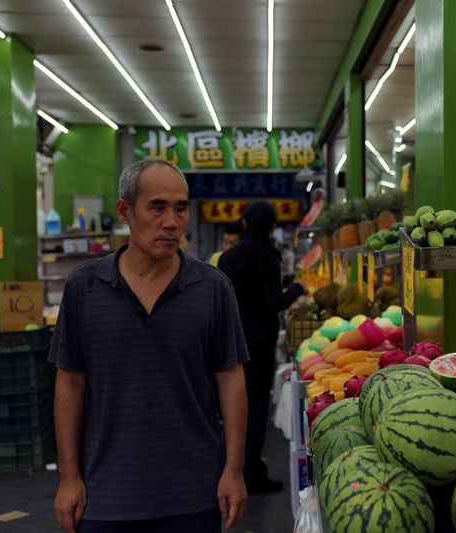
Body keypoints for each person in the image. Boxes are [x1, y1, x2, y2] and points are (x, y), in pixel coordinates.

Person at [50, 159, 249, 533]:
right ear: (125, 211)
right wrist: (68, 477)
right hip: (106, 493)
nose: (172, 221)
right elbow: (70, 383)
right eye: (157, 207)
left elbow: (230, 378)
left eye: (180, 208)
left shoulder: (212, 287)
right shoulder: (84, 287)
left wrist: (234, 470)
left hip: (194, 492)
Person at [217, 201, 304, 492]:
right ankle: (250, 472)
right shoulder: (269, 257)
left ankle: (230, 467)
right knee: (254, 408)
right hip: (260, 341)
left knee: (228, 405)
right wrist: (295, 290)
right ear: (272, 227)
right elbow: (272, 303)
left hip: (231, 338)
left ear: (244, 224)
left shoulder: (228, 259)